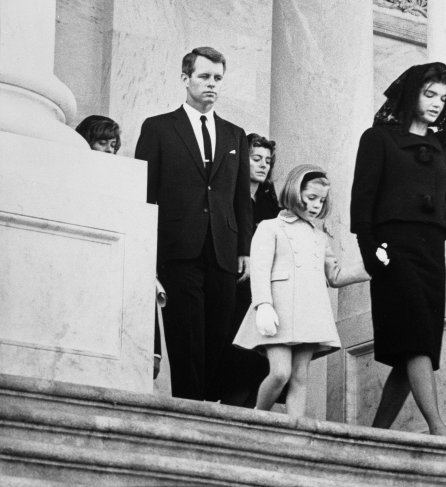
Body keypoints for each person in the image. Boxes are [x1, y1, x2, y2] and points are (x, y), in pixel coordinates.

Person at [350, 62, 446, 436]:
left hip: (432, 255)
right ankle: (438, 428)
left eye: (443, 99)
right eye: (429, 94)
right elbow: (362, 199)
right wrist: (370, 251)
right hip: (392, 252)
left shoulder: (445, 152)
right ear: (411, 92)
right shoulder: (377, 138)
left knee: (414, 348)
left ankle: (377, 432)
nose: (436, 104)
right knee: (416, 343)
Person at [134, 47, 252, 401]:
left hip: (223, 251)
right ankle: (189, 411)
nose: (211, 84)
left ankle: (208, 408)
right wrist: (147, 250)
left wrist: (244, 249)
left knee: (217, 337)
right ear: (185, 79)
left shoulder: (234, 134)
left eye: (217, 78)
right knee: (185, 338)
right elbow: (145, 192)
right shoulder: (158, 128)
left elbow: (239, 198)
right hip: (177, 249)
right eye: (204, 76)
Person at [233, 165, 370, 418]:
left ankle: (294, 430)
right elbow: (260, 269)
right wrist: (263, 304)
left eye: (322, 200)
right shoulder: (270, 226)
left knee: (300, 376)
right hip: (278, 311)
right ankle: (257, 418)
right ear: (295, 192)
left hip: (310, 313)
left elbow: (335, 276)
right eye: (311, 198)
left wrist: (371, 265)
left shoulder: (319, 237)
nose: (317, 205)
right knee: (280, 372)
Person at [77, 114, 163, 377]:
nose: (110, 151)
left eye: (114, 145)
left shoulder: (123, 178)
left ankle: (149, 355)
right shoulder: (76, 172)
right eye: (103, 143)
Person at [221, 134, 281, 407]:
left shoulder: (272, 206)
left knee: (262, 356)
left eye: (267, 161)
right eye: (256, 159)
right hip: (237, 284)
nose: (263, 165)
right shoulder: (229, 197)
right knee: (236, 351)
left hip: (265, 288)